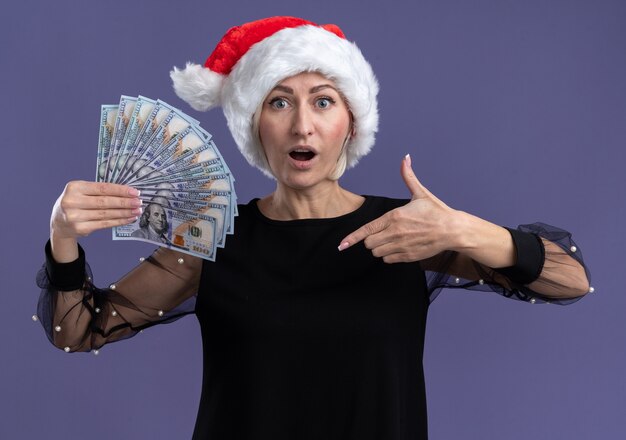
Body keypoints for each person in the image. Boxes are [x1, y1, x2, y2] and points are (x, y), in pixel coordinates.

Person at [36, 16, 592, 440]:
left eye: (322, 101)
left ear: (349, 122)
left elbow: (571, 281)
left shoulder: (407, 232)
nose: (302, 124)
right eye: (279, 102)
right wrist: (62, 236)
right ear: (256, 124)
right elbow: (78, 331)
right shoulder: (213, 241)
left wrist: (463, 230)